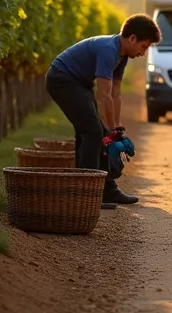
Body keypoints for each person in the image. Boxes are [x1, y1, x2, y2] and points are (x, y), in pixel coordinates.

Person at [46, 14, 162, 209]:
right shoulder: (108, 50)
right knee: (92, 132)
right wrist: (110, 130)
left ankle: (106, 190)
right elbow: (104, 96)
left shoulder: (122, 56)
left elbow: (116, 95)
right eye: (144, 46)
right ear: (132, 38)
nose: (144, 52)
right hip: (62, 79)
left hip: (80, 83)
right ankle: (87, 193)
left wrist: (116, 129)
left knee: (99, 133)